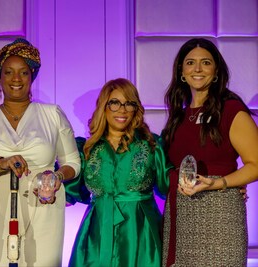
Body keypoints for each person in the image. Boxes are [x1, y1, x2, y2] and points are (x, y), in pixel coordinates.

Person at [0, 38, 81, 267]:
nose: (16, 79)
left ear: (31, 76)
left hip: (43, 205)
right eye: (9, 72)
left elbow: (73, 163)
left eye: (23, 72)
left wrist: (56, 177)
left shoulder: (52, 114)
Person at [161, 38, 258, 266]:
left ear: (216, 72)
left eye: (205, 62)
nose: (197, 69)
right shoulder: (178, 118)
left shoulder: (232, 110)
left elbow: (255, 164)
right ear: (181, 72)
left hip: (220, 215)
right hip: (180, 215)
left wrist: (219, 183)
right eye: (190, 63)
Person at [65, 78, 172, 267]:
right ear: (103, 106)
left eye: (129, 103)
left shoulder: (152, 145)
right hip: (97, 233)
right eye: (114, 103)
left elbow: (169, 186)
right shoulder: (86, 149)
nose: (122, 109)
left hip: (141, 233)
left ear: (135, 109)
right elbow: (69, 192)